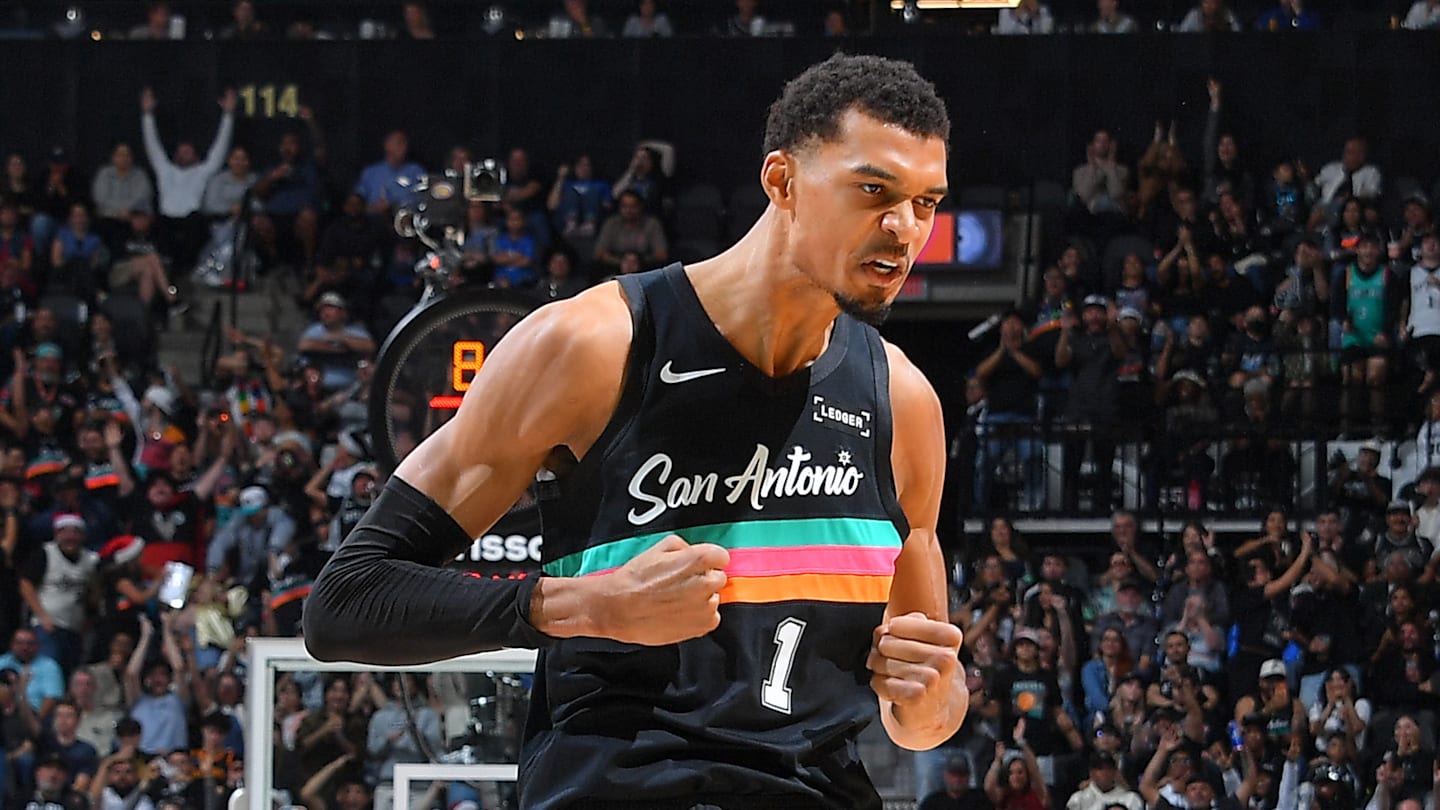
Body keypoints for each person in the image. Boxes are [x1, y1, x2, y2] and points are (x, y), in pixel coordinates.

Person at [306, 53, 967, 808]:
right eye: (874, 190)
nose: (903, 228)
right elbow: (345, 602)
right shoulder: (594, 347)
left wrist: (931, 700)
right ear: (781, 180)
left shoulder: (902, 403)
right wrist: (585, 606)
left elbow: (925, 713)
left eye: (925, 202)